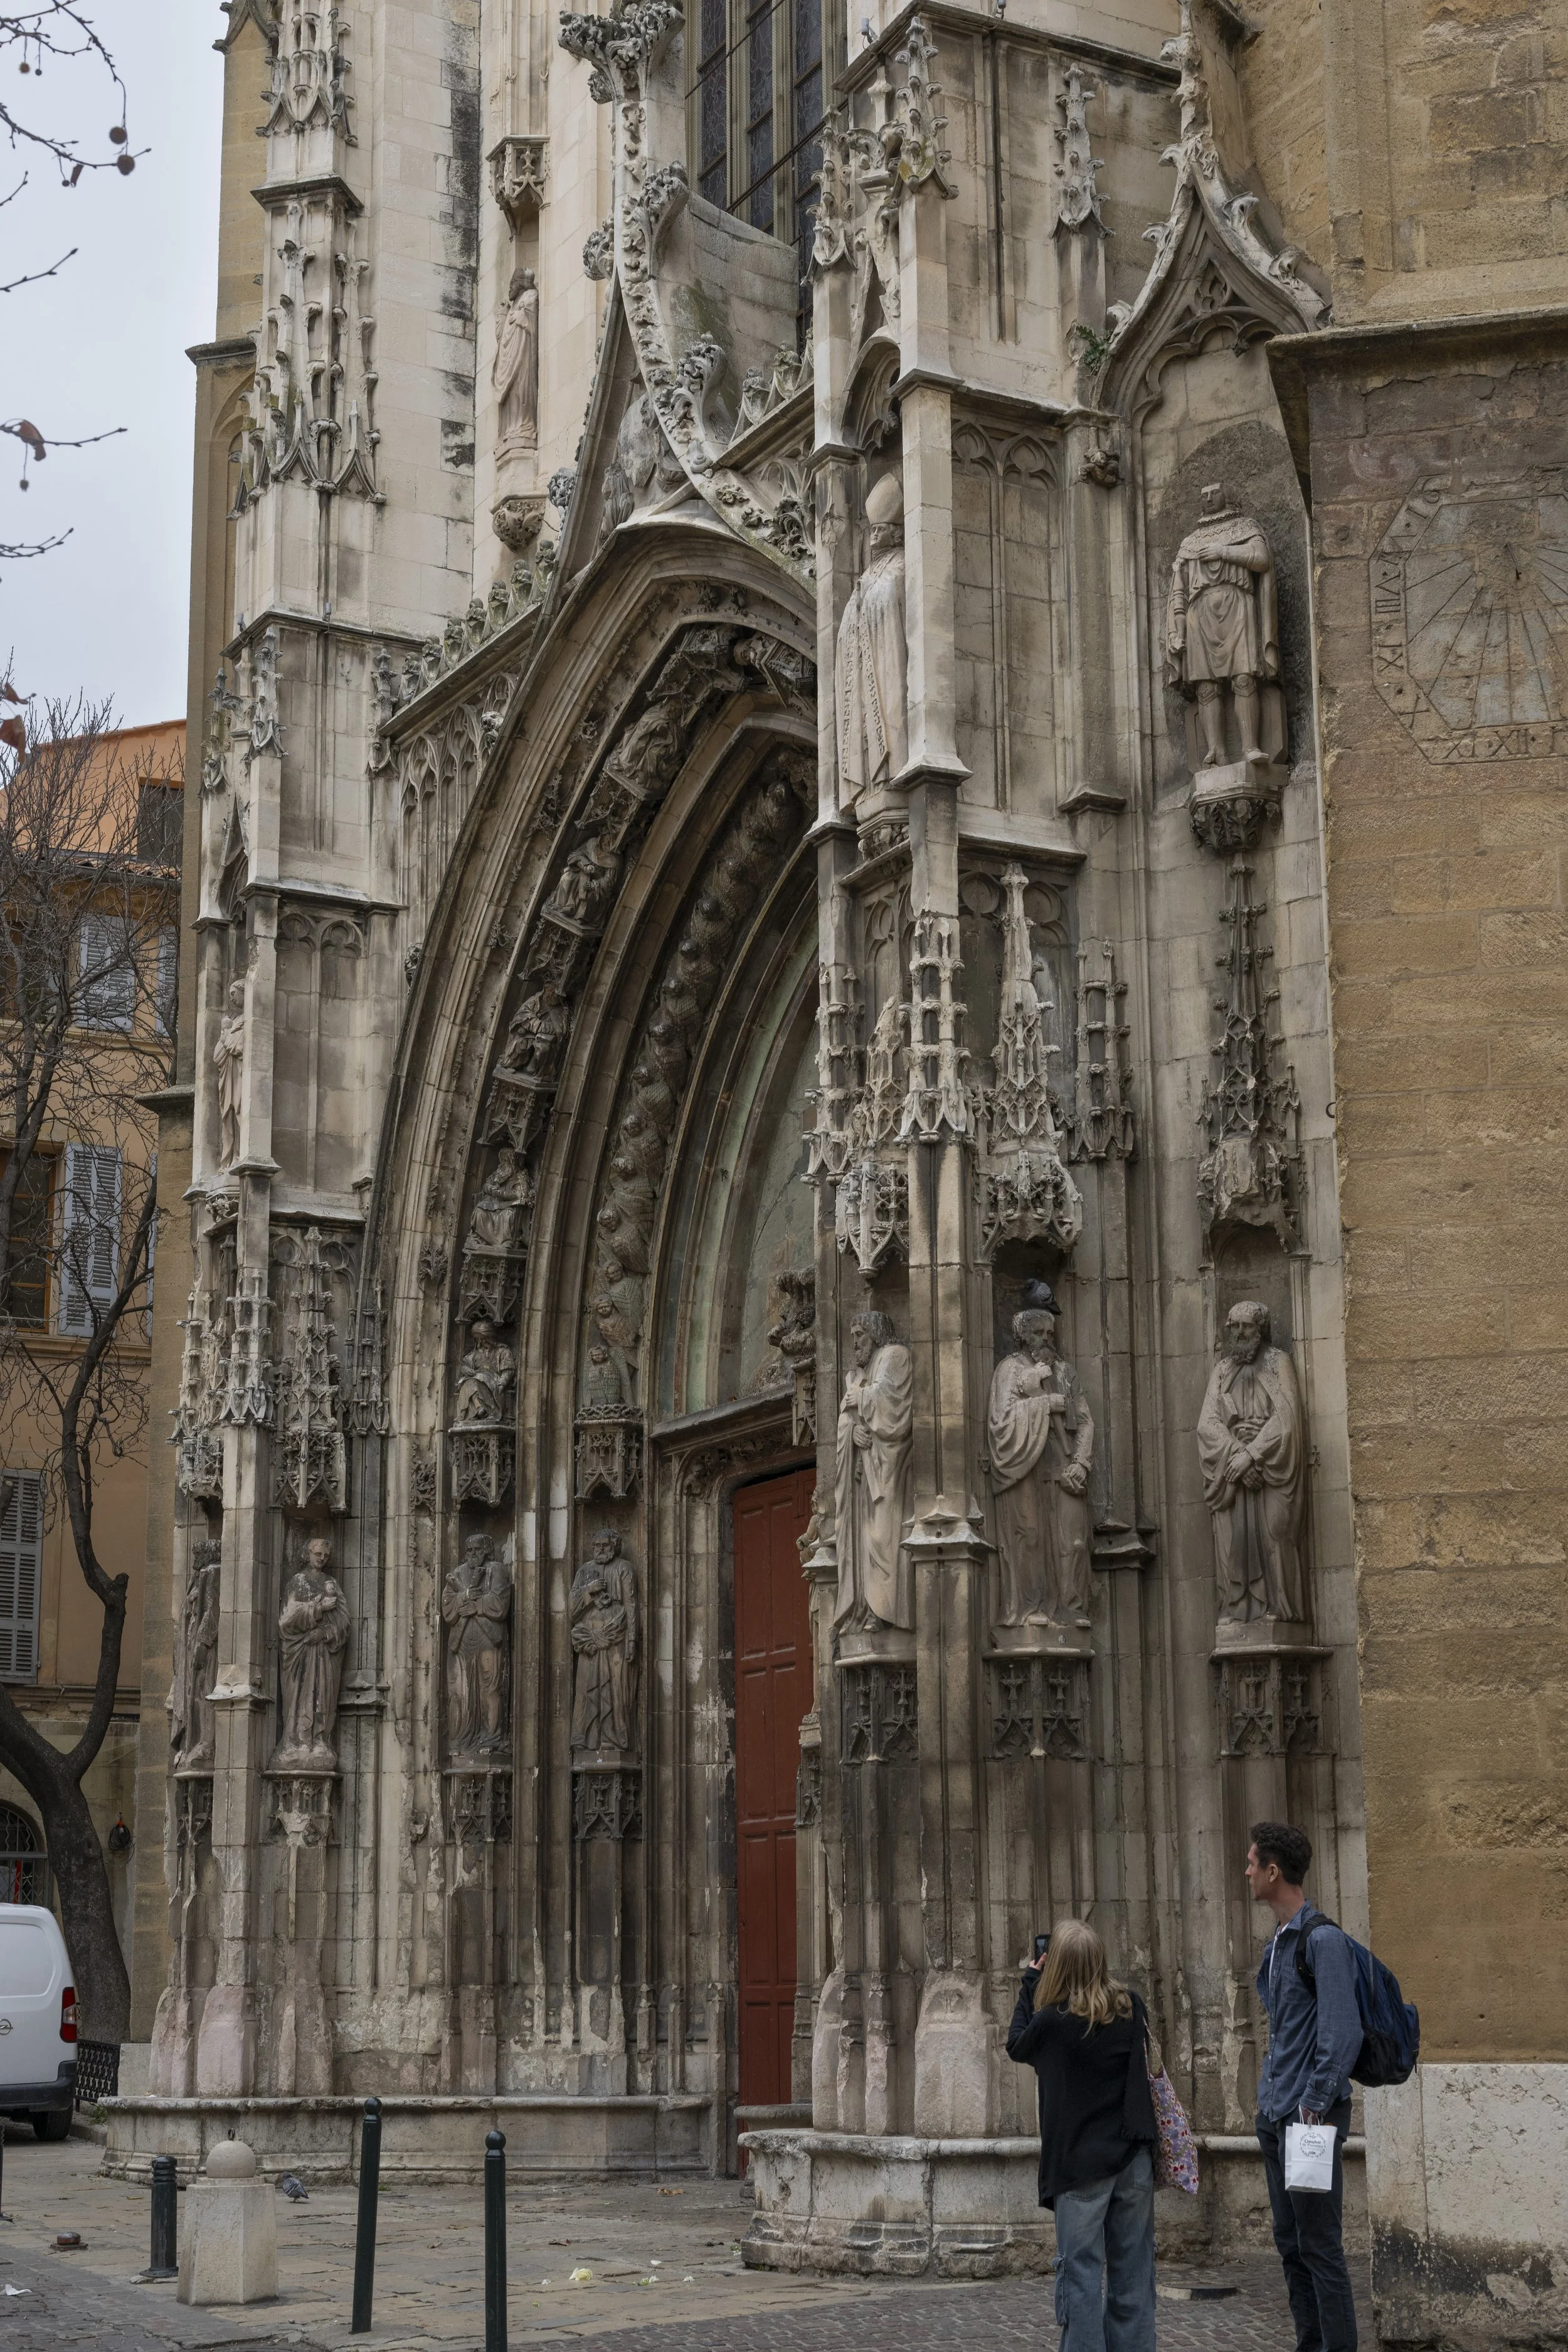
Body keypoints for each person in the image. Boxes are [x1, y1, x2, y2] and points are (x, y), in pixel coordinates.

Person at [1007, 1919, 1157, 2352]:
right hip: (1133, 2161)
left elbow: (1016, 2043)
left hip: (1080, 2169)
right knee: (1133, 2275)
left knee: (1083, 2278)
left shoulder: (1051, 2025)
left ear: (1058, 1966)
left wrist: (1031, 1980)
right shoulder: (1132, 2008)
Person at [1248, 1820, 1363, 2352]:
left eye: (1252, 1863)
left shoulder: (1323, 1940)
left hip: (1308, 2120)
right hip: (1276, 2117)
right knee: (1291, 2245)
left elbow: (1342, 2034)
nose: (1246, 1871)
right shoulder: (1277, 1944)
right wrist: (1270, 2106)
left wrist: (1312, 2108)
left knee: (1320, 2247)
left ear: (1274, 1872)